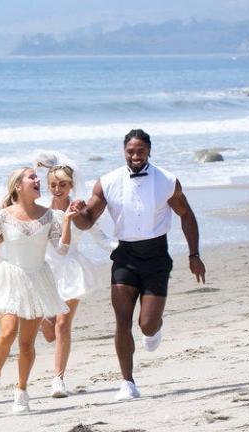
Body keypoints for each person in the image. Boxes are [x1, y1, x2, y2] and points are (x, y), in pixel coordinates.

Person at [71, 129, 206, 401]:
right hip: (125, 257)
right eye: (130, 151)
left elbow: (186, 214)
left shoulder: (167, 180)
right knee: (122, 320)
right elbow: (88, 220)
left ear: (148, 151)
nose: (135, 156)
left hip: (157, 257)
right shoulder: (107, 182)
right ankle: (127, 382)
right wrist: (75, 214)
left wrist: (194, 254)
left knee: (146, 324)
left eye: (140, 151)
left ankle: (154, 328)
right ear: (124, 151)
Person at [0, 167, 73, 413]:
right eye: (31, 177)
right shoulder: (3, 216)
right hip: (10, 278)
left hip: (36, 280)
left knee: (26, 344)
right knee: (8, 332)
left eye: (36, 177)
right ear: (18, 186)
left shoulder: (50, 215)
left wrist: (66, 221)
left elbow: (62, 250)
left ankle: (21, 391)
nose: (37, 180)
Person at [33, 154, 116, 398]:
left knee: (62, 324)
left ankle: (58, 379)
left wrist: (126, 247)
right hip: (44, 270)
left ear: (71, 185)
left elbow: (102, 238)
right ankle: (41, 322)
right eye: (53, 185)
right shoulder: (41, 211)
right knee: (48, 332)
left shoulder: (79, 211)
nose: (58, 189)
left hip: (71, 271)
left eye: (63, 184)